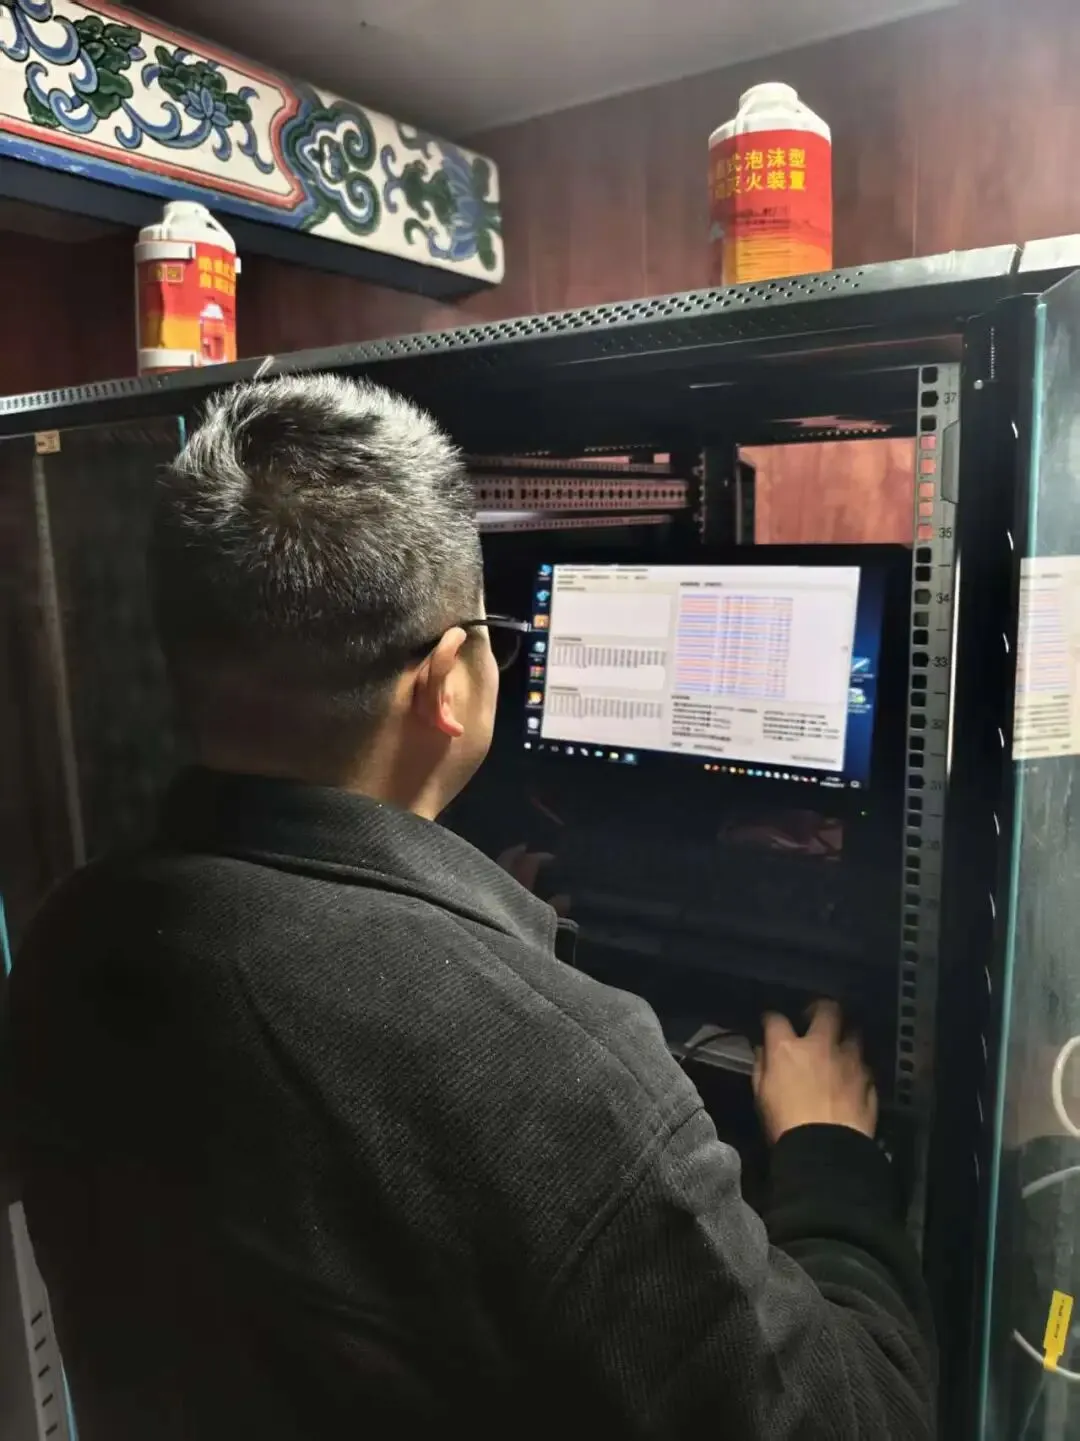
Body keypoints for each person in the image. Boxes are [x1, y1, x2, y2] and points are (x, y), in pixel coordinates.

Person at [5, 375, 935, 1440]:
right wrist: (828, 1152)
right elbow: (860, 1422)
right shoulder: (558, 1070)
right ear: (449, 679)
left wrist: (461, 929)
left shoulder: (69, 939)